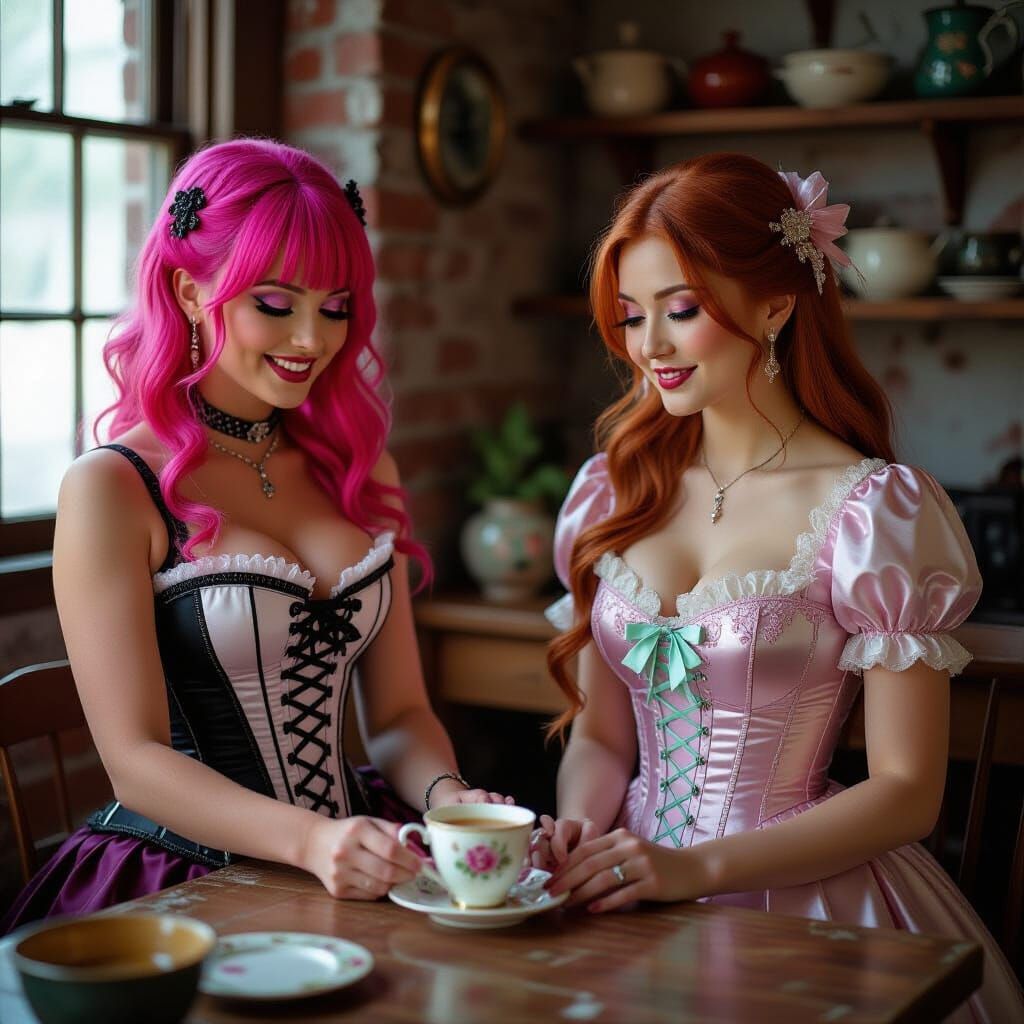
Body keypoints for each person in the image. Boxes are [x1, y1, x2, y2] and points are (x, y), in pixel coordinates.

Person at [533, 153, 1023, 1022]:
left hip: (802, 896)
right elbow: (605, 741)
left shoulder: (876, 512)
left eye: (681, 311)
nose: (649, 347)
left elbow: (909, 793)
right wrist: (577, 830)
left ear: (777, 303)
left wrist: (696, 870)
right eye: (631, 316)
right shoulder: (614, 491)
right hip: (627, 882)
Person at [2, 138, 509, 934]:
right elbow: (135, 762)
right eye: (275, 304)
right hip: (187, 877)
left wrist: (447, 797)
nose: (312, 338)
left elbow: (402, 713)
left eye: (335, 307)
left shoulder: (359, 464)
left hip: (352, 849)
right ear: (189, 290)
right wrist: (313, 839)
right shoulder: (109, 487)